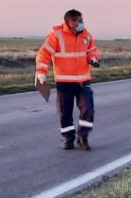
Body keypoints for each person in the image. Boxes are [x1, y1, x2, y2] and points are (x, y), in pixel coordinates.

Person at [35, 9, 100, 150]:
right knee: (65, 113)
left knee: (88, 109)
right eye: (76, 21)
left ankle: (83, 137)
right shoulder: (56, 36)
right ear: (68, 21)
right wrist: (41, 72)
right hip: (64, 82)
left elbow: (91, 51)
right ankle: (68, 139)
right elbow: (43, 54)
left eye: (81, 20)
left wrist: (93, 59)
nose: (79, 23)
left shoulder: (87, 35)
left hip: (83, 81)